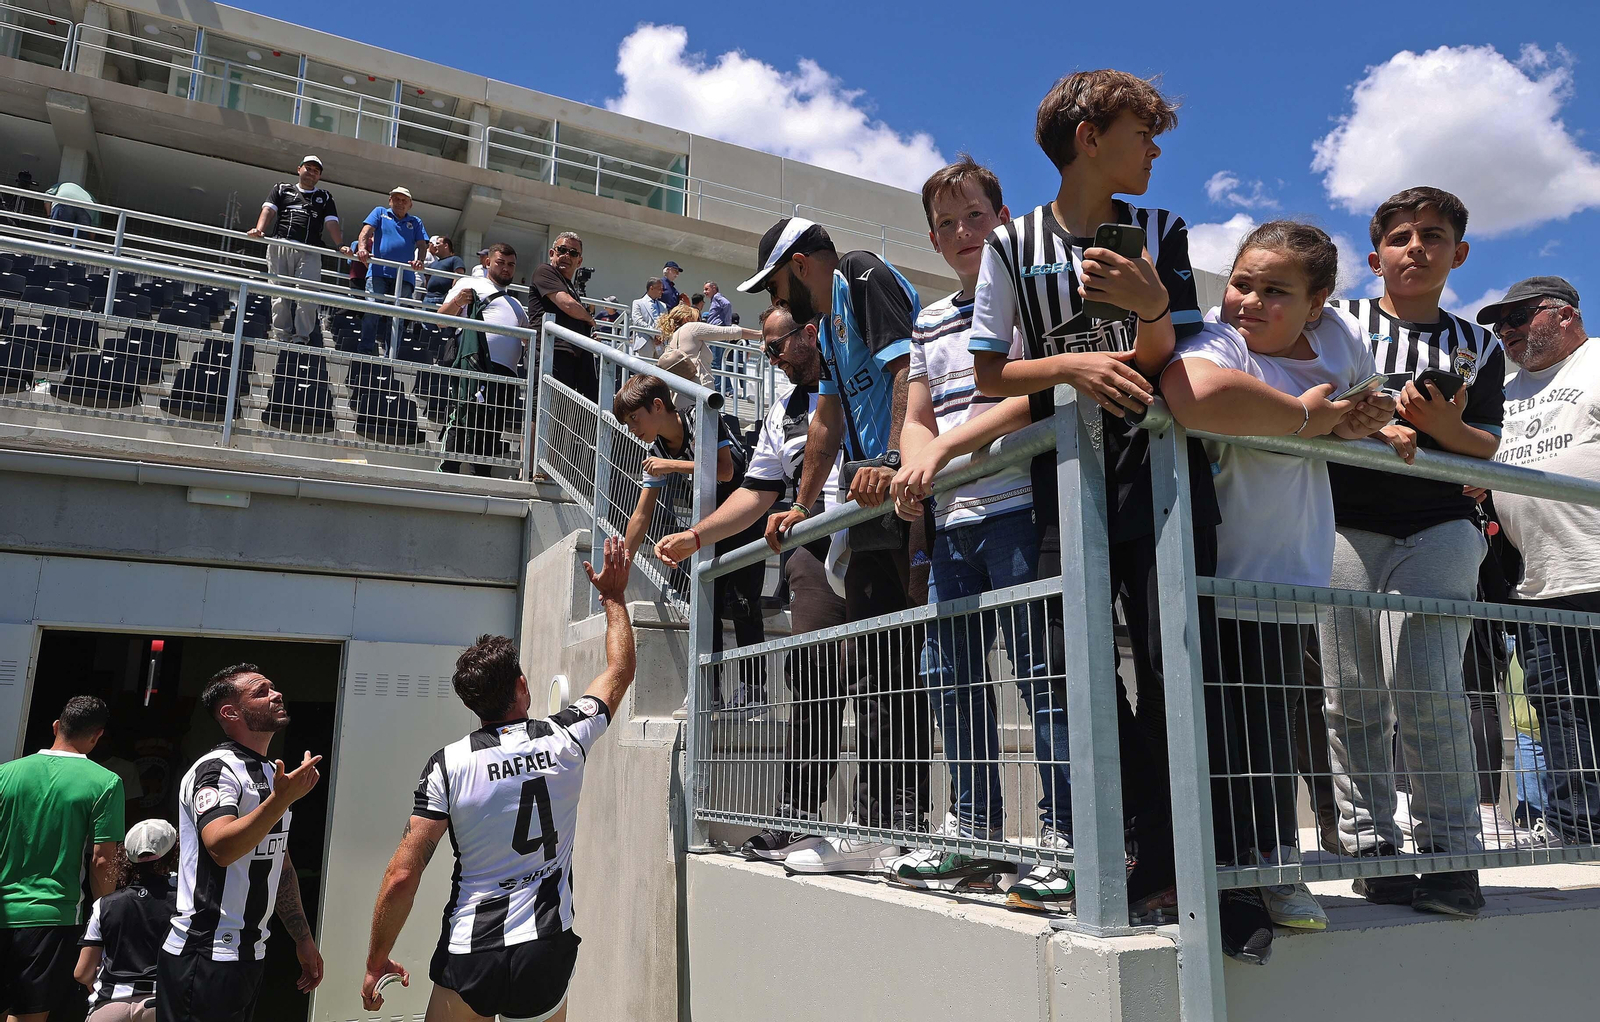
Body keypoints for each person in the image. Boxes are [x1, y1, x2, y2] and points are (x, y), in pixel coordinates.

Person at [964, 69, 1214, 924]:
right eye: (1141, 131)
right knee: (1070, 666)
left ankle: (1181, 859)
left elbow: (1168, 359)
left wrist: (1149, 307)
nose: (1153, 150)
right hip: (1063, 478)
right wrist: (1069, 364)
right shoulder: (1012, 243)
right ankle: (1142, 833)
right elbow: (990, 371)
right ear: (1088, 136)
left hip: (1160, 478)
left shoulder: (1162, 231)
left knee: (1168, 660)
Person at [1164, 220, 1397, 954]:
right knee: (1226, 739)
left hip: (1294, 570)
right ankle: (1239, 880)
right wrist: (1309, 417)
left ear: (1318, 303)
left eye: (1276, 292)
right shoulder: (1215, 340)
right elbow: (1197, 394)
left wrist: (1370, 420)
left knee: (1272, 735)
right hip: (1211, 571)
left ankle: (1270, 867)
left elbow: (1367, 402)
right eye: (1241, 282)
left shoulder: (1337, 343)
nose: (1249, 302)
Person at [883, 157, 1072, 908]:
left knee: (1043, 681)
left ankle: (1066, 837)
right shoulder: (928, 318)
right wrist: (912, 468)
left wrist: (940, 455)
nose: (963, 232)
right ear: (932, 240)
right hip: (954, 523)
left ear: (1003, 219)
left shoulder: (1028, 298)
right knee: (951, 683)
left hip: (1021, 510)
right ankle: (973, 837)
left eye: (975, 216)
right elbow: (916, 416)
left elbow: (1035, 396)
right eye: (946, 223)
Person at [1316, 187, 1502, 918]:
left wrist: (1438, 427)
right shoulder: (1340, 323)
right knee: (1352, 697)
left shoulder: (1477, 343)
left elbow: (1488, 446)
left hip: (1440, 525)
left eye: (1432, 235)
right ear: (1374, 257)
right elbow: (1316, 408)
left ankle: (1453, 856)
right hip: (1343, 522)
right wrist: (1371, 423)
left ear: (1458, 253)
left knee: (1431, 689)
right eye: (1399, 236)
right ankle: (1372, 851)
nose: (1415, 247)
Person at [360, 539, 637, 1022]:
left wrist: (375, 959)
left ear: (473, 704)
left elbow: (403, 874)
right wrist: (613, 598)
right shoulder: (566, 736)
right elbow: (620, 669)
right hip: (546, 945)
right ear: (522, 686)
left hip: (473, 950)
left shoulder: (447, 765)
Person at [740, 216, 932, 874]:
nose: (775, 301)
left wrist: (889, 454)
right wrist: (798, 502)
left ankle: (899, 824)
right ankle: (878, 824)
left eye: (773, 284)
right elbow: (826, 419)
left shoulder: (860, 272)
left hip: (905, 493)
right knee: (876, 667)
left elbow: (909, 368)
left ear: (797, 263)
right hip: (867, 504)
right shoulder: (826, 325)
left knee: (895, 672)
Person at [655, 304, 846, 859]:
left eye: (776, 346)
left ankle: (889, 820)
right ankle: (797, 819)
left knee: (885, 676)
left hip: (879, 538)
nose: (770, 358)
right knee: (813, 682)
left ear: (810, 335)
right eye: (763, 349)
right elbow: (758, 490)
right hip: (812, 551)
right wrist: (698, 536)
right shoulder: (780, 407)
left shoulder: (856, 385)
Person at [1477, 277, 1600, 849]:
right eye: (1499, 323)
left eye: (1520, 318)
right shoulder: (1498, 389)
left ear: (1566, 314)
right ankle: (1580, 832)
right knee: (1559, 710)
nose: (1506, 330)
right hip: (1538, 581)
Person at [157, 665, 324, 1022]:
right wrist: (281, 800)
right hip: (204, 954)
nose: (276, 694)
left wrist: (303, 938)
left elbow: (280, 862)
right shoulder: (216, 770)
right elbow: (221, 848)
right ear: (230, 712)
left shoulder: (268, 773)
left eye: (274, 688)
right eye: (262, 691)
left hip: (250, 953)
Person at [613, 374, 766, 713]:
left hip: (743, 519)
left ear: (657, 406)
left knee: (743, 604)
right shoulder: (656, 449)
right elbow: (642, 513)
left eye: (634, 418)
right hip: (708, 530)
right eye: (626, 423)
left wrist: (672, 465)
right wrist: (622, 561)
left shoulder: (704, 418)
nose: (631, 428)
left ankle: (754, 691)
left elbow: (726, 472)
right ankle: (707, 691)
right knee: (705, 608)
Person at [0, 696, 123, 1022]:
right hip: (52, 915)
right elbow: (101, 861)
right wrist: (106, 917)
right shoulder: (105, 782)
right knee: (28, 1015)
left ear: (57, 726)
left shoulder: (5, 774)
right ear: (96, 736)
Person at [74, 819, 180, 1022]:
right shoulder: (185, 902)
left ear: (126, 856)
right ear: (174, 853)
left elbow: (82, 972)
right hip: (163, 1005)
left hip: (109, 1008)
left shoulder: (103, 905)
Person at [438, 243, 529, 476]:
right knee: (462, 415)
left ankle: (482, 475)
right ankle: (448, 472)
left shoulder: (517, 304)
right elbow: (441, 320)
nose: (506, 268)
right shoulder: (470, 284)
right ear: (487, 262)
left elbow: (531, 338)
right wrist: (458, 301)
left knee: (494, 425)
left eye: (511, 265)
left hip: (507, 374)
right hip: (474, 363)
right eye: (501, 262)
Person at [247, 156, 346, 346]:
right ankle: (281, 335)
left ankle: (301, 337)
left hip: (309, 249)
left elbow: (331, 222)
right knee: (279, 293)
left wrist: (340, 244)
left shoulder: (324, 196)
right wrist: (260, 229)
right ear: (298, 169)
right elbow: (269, 210)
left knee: (308, 295)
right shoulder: (281, 188)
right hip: (281, 245)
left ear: (319, 177)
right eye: (308, 168)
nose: (311, 172)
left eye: (316, 171)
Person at [355, 187, 429, 357]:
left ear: (410, 205)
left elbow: (422, 245)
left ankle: (391, 355)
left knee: (397, 318)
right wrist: (362, 249)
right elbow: (365, 232)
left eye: (404, 201)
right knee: (371, 311)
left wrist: (421, 261)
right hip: (378, 272)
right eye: (396, 199)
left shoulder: (416, 221)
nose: (400, 203)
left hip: (404, 277)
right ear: (390, 201)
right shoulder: (380, 212)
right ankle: (364, 352)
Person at [529, 233, 598, 400]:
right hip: (549, 354)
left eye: (573, 253)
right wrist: (590, 319)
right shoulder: (544, 271)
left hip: (571, 359)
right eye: (562, 250)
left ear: (579, 261)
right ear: (552, 253)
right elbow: (567, 304)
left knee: (562, 418)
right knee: (539, 412)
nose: (567, 256)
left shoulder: (571, 288)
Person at [630, 279, 669, 358]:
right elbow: (638, 321)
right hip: (645, 342)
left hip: (661, 344)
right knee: (643, 369)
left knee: (660, 369)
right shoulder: (638, 303)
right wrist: (655, 334)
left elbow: (666, 323)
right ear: (651, 288)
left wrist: (661, 336)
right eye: (659, 289)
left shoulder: (663, 306)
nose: (662, 291)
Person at [422, 236, 465, 307]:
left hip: (443, 299)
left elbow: (458, 276)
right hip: (427, 298)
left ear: (446, 245)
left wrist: (451, 296)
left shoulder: (455, 260)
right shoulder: (433, 263)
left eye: (438, 243)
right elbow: (427, 279)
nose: (435, 246)